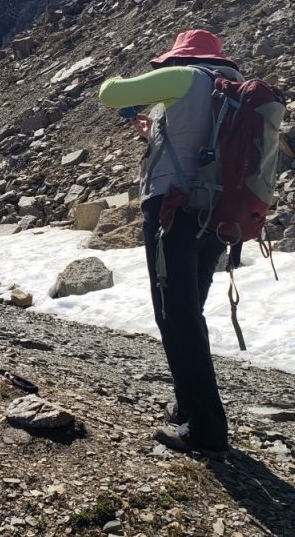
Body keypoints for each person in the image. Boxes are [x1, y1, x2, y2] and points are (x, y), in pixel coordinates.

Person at [98, 29, 244, 460]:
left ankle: (205, 429)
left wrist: (125, 86)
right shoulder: (231, 87)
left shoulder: (186, 78)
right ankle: (187, 407)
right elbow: (199, 147)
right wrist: (156, 129)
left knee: (175, 315)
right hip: (216, 216)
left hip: (173, 213)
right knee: (187, 310)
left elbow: (111, 93)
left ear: (182, 58)